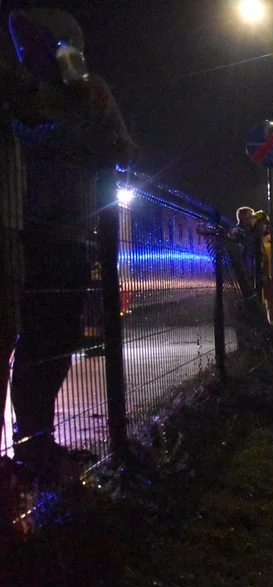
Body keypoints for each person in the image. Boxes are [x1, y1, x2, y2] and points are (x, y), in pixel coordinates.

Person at [2, 6, 137, 465]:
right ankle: (30, 441)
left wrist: (93, 134)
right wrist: (81, 139)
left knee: (56, 340)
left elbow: (122, 151)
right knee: (31, 340)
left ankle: (37, 439)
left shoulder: (92, 91)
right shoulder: (22, 90)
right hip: (28, 226)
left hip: (70, 231)